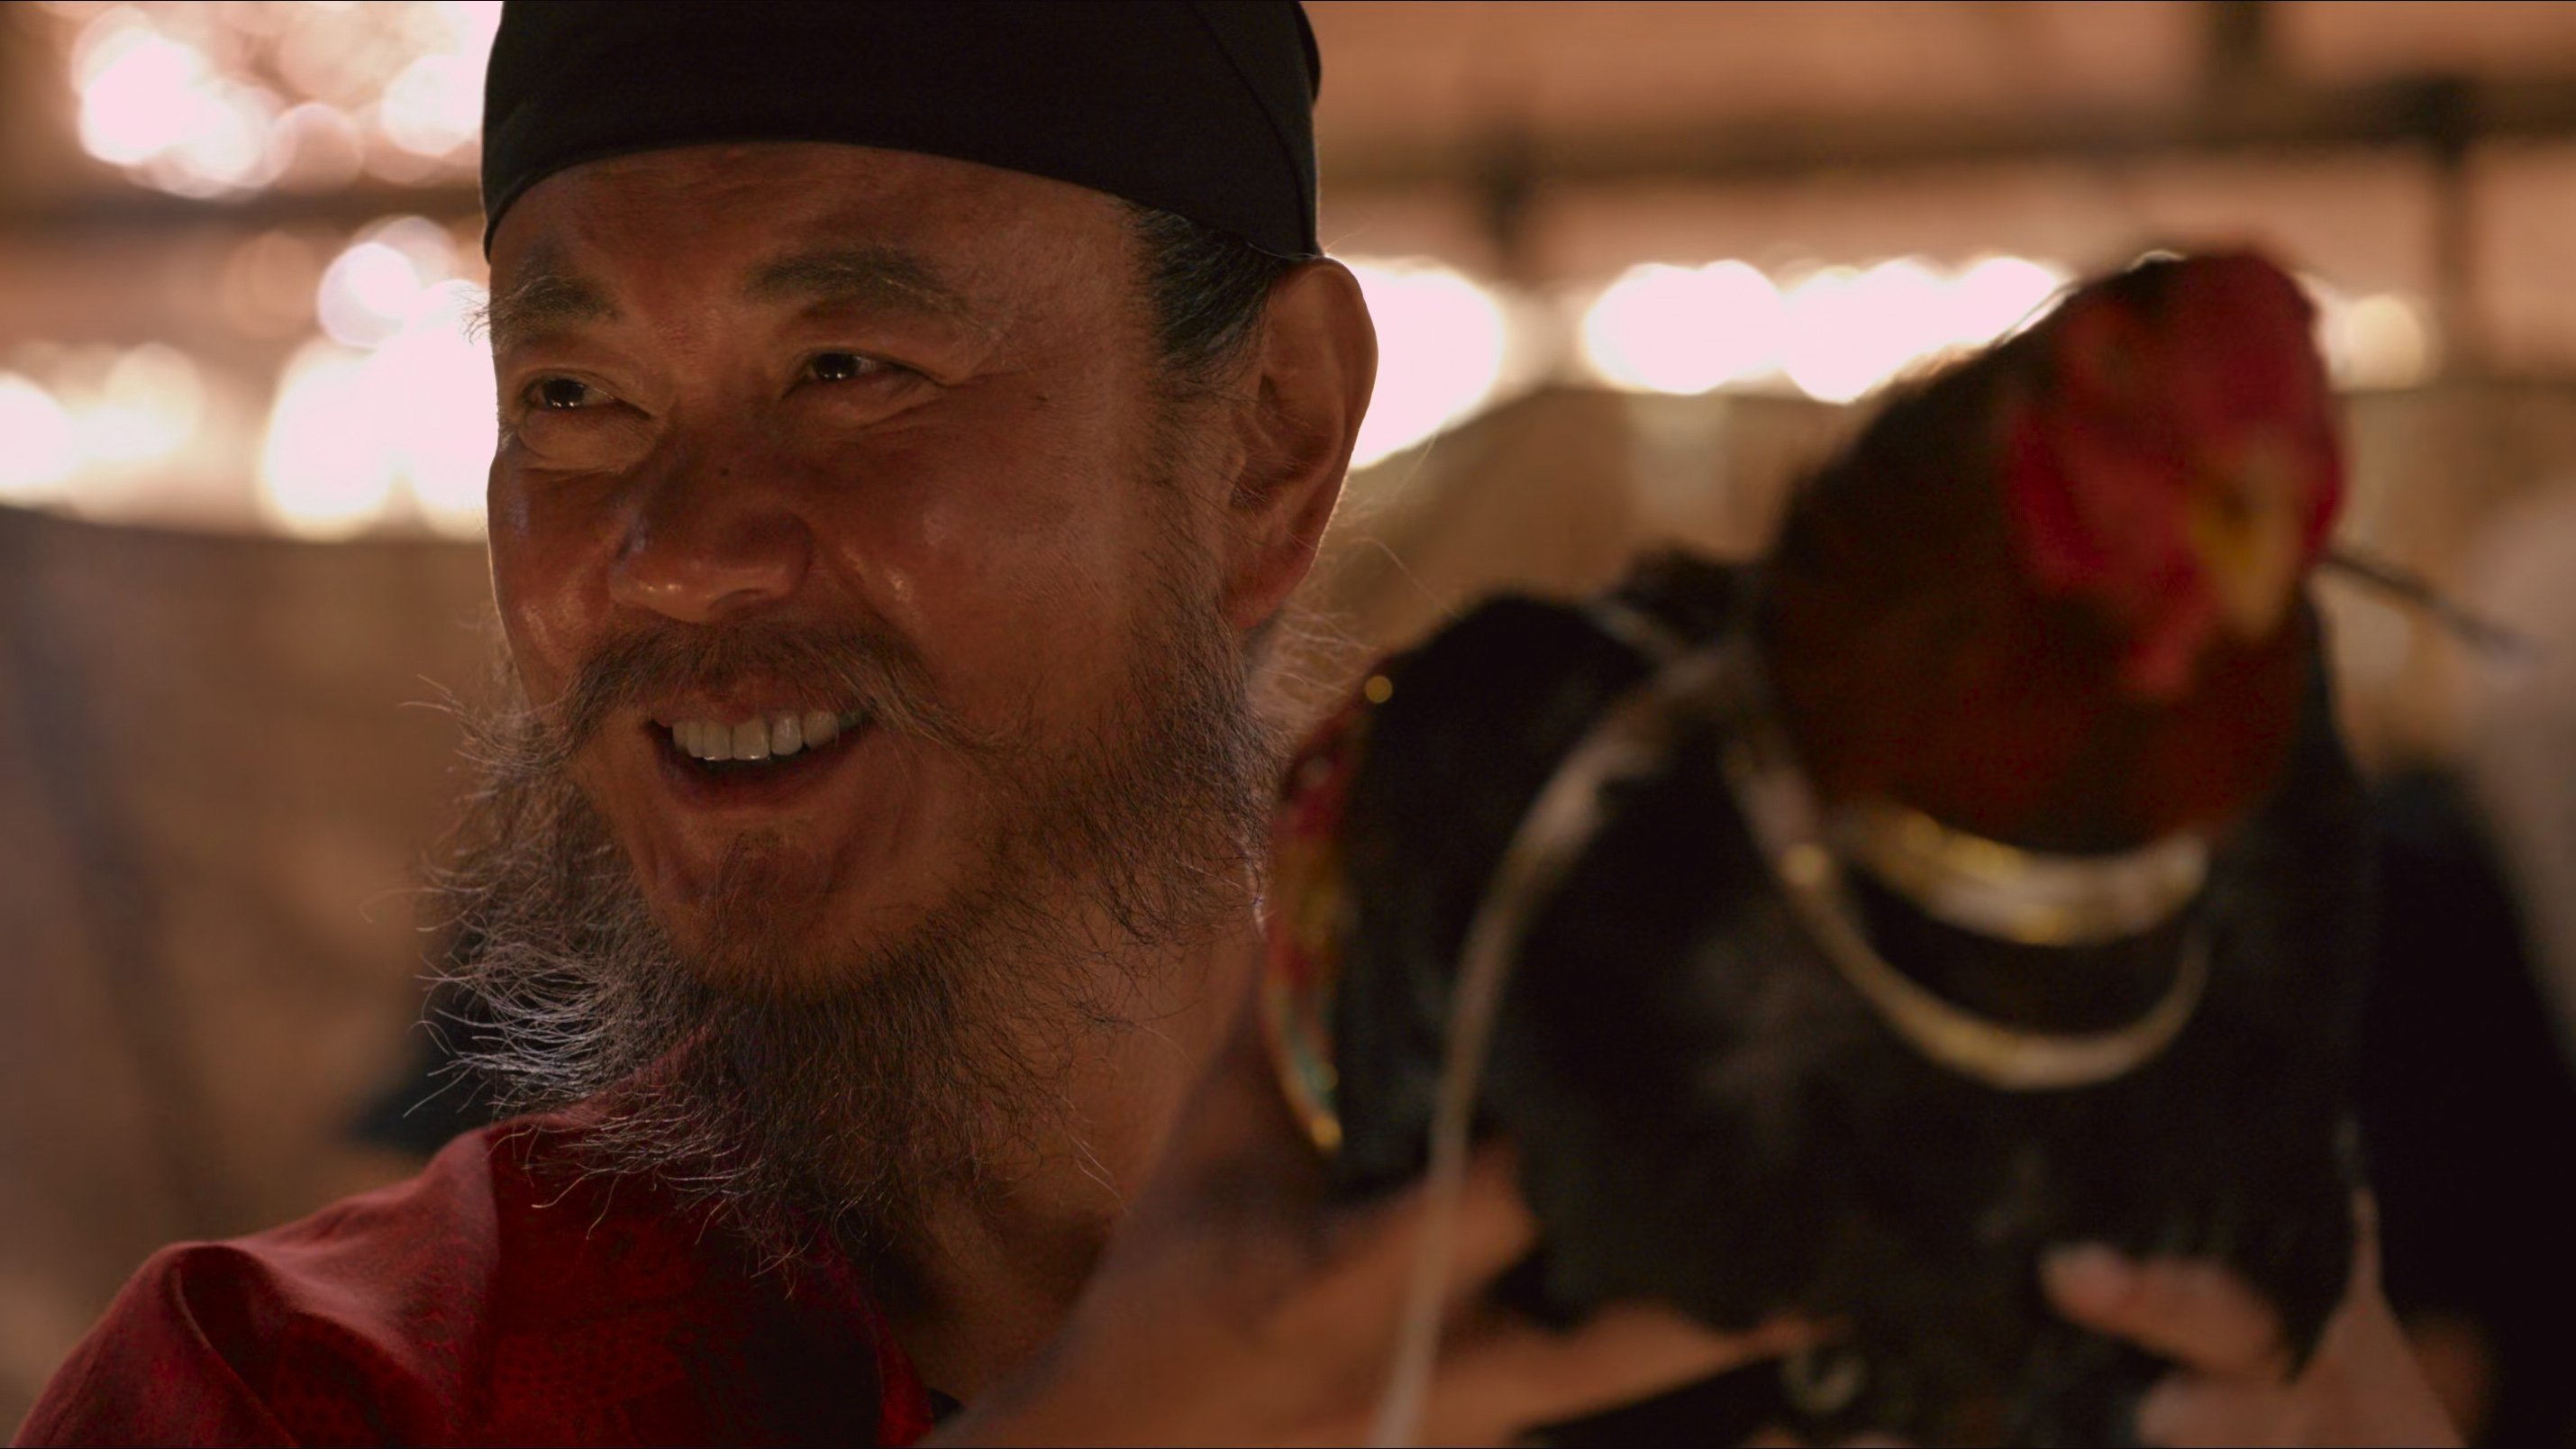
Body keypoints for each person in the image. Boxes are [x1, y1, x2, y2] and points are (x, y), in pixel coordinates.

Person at [15, 5, 2457, 1444]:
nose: (672, 551)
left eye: (851, 365)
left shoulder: (1773, 1266)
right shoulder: (311, 1396)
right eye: (572, 397)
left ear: (1271, 439)